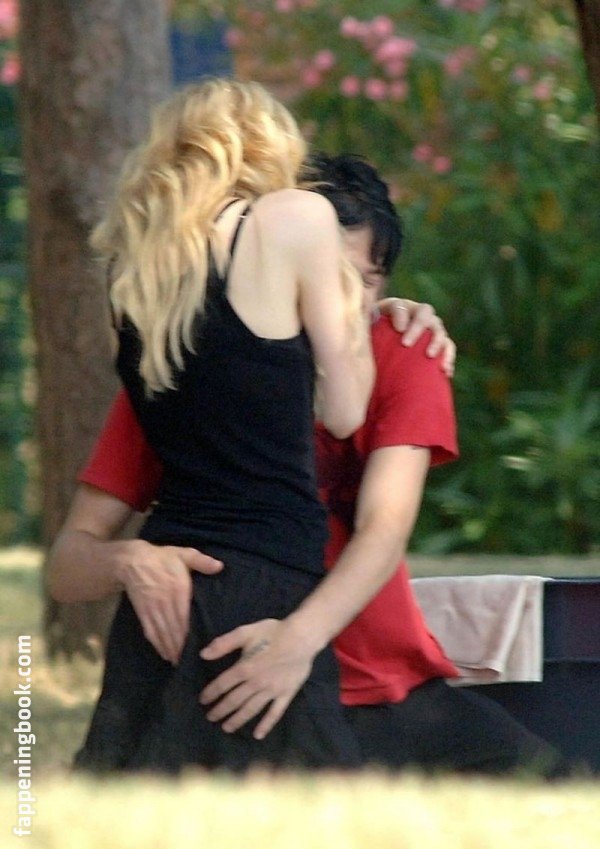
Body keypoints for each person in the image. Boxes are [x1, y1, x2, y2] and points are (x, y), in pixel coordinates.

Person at [50, 152, 565, 777]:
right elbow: (67, 567)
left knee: (555, 784)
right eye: (320, 272)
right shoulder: (181, 371)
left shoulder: (404, 350)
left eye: (361, 281)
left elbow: (384, 528)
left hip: (373, 678)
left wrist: (297, 643)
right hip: (229, 669)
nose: (334, 297)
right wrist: (130, 560)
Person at [62, 78, 388, 775]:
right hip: (264, 574)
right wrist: (352, 307)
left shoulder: (135, 270)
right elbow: (343, 410)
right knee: (306, 807)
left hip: (164, 578)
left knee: (136, 802)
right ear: (267, 146)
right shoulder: (293, 216)